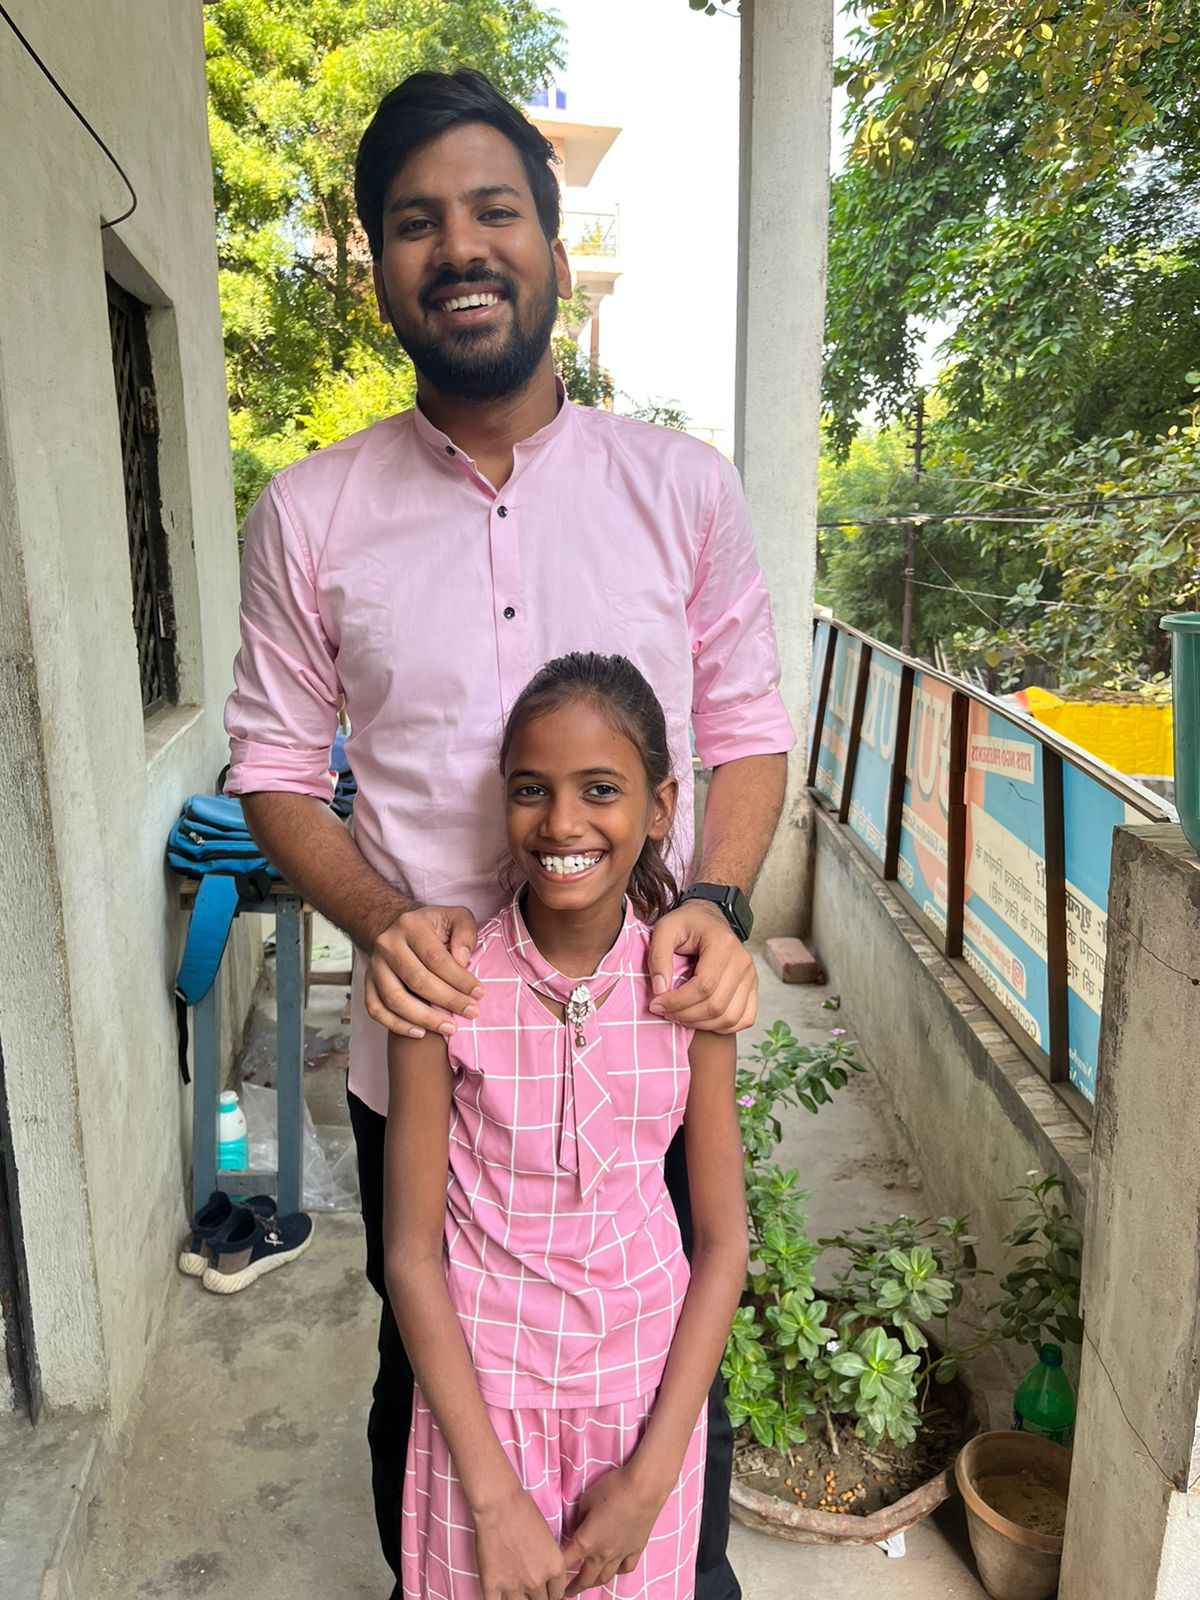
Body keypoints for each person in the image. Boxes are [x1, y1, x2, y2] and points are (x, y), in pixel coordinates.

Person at [223, 67, 794, 1600]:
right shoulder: (312, 513)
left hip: (644, 1043)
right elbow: (275, 765)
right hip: (428, 1060)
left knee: (670, 1386)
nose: (458, 249)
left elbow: (745, 732)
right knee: (429, 1394)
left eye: (492, 211)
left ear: (548, 238)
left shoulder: (678, 490)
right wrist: (383, 923)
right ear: (378, 268)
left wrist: (720, 907)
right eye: (416, 224)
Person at [386, 653, 748, 1600]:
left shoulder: (690, 990)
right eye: (531, 791)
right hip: (482, 1421)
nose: (562, 823)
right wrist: (496, 1503)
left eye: (601, 790)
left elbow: (722, 1243)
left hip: (640, 1413)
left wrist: (654, 1473)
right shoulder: (446, 986)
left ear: (661, 806)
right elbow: (413, 1257)